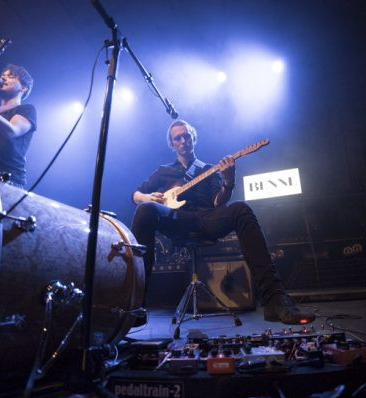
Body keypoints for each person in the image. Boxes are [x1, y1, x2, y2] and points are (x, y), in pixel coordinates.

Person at [131, 119, 315, 325]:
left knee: (241, 209)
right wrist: (146, 197)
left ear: (193, 139)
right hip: (175, 221)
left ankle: (275, 300)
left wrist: (228, 182)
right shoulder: (162, 171)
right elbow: (136, 194)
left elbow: (218, 202)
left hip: (205, 218)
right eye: (178, 138)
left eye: (187, 136)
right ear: (172, 144)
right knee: (144, 210)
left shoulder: (208, 169)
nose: (183, 141)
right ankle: (135, 305)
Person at [0, 64, 37, 187]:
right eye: (3, 76)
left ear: (23, 88)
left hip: (8, 180)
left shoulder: (27, 109)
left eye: (11, 76)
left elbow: (10, 131)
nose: (4, 78)